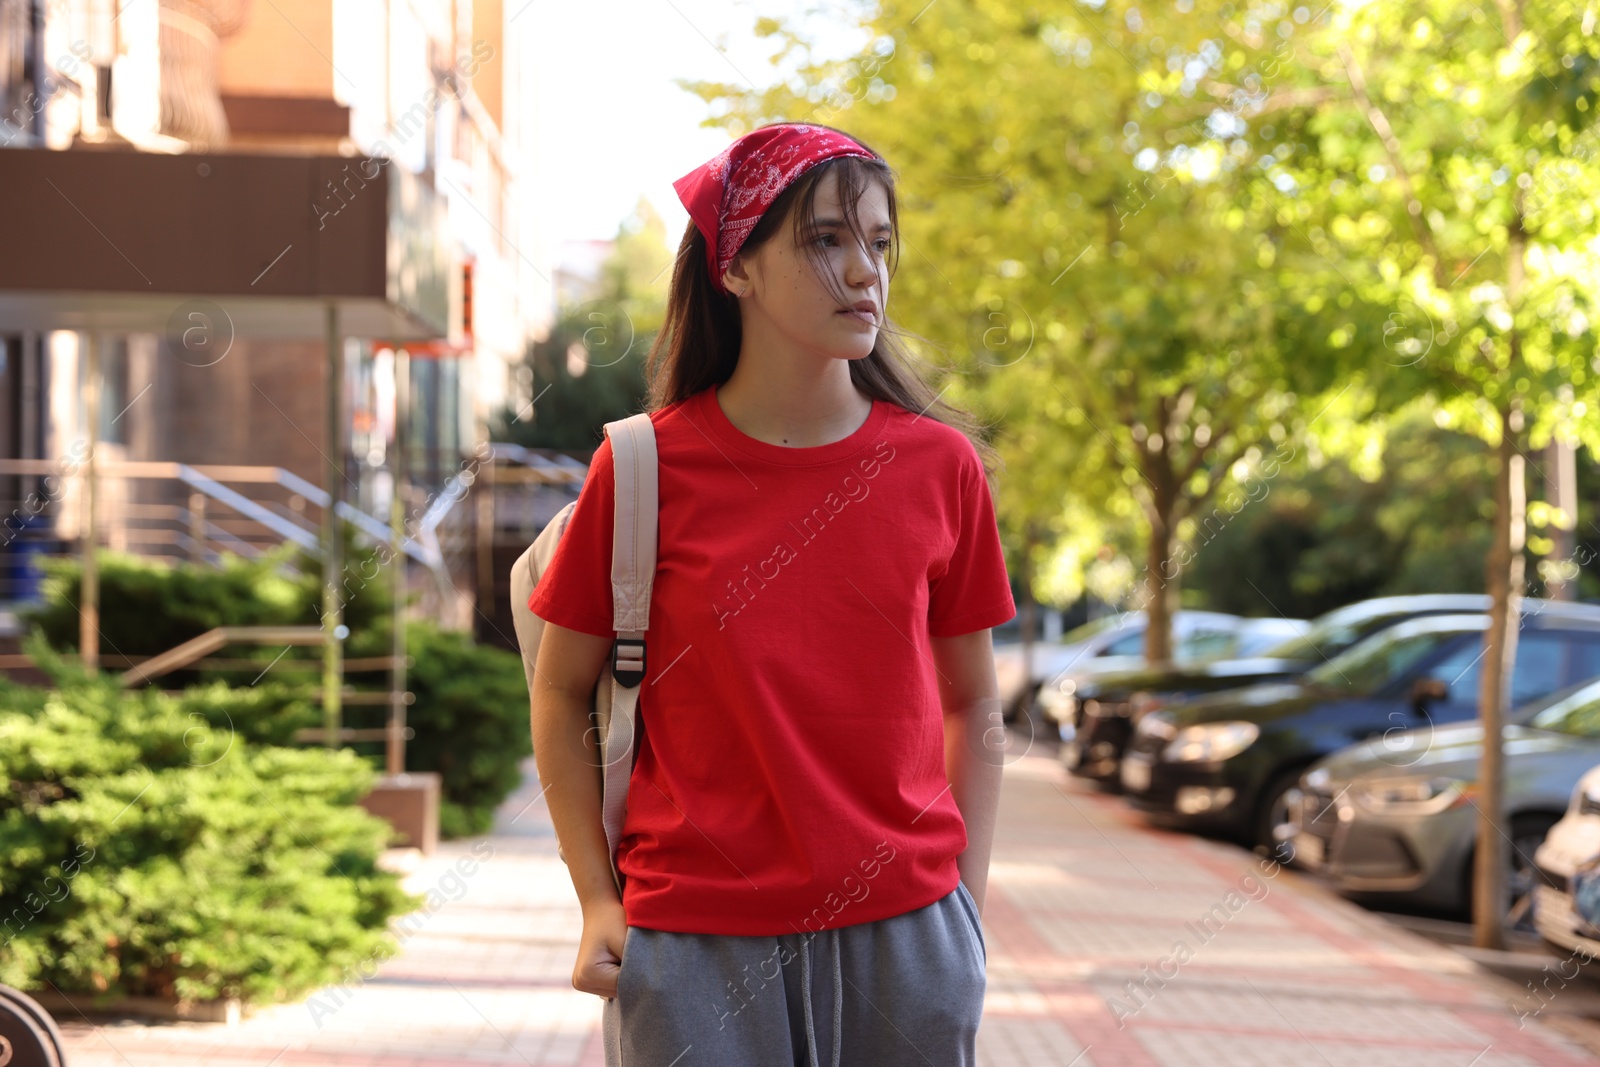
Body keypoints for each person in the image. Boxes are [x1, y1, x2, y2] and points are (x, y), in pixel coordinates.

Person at [526, 121, 1017, 1067]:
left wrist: (965, 915)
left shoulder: (938, 467)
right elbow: (557, 690)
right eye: (826, 240)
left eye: (877, 242)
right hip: (693, 942)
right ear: (736, 267)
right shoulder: (641, 466)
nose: (866, 271)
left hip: (908, 937)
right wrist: (596, 895)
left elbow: (973, 703)